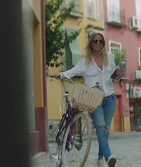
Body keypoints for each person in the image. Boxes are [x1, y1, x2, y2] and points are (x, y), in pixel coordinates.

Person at [54, 32, 123, 167]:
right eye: (95, 41)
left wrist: (119, 74)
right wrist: (60, 74)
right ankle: (109, 157)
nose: (98, 44)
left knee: (105, 130)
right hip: (93, 99)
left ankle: (100, 158)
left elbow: (114, 78)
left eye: (101, 41)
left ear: (103, 43)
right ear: (91, 43)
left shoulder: (110, 57)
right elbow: (71, 72)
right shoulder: (84, 62)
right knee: (101, 127)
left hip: (110, 98)